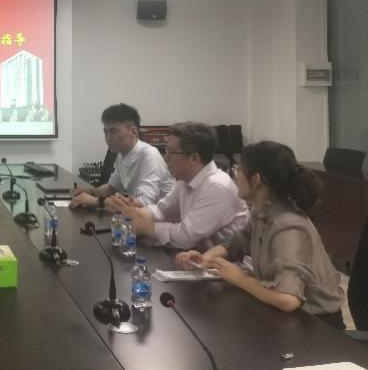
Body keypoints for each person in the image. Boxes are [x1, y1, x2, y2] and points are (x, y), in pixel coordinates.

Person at [175, 141, 345, 328]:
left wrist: (240, 279)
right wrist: (205, 259)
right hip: (285, 317)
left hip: (316, 325)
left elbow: (287, 299)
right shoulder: (262, 211)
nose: (235, 175)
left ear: (256, 180)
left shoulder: (288, 226)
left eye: (239, 170)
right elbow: (235, 245)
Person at [110, 122, 249, 250]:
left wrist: (142, 225)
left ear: (194, 158)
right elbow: (162, 210)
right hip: (198, 257)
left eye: (171, 152)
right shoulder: (185, 181)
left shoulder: (216, 187)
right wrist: (133, 212)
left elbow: (185, 237)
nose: (166, 158)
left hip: (227, 263)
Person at [70, 103, 173, 211]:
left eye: (113, 131)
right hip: (141, 216)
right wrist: (90, 192)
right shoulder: (122, 154)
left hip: (164, 218)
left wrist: (96, 202)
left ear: (133, 132)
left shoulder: (149, 155)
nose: (108, 138)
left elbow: (142, 204)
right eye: (105, 132)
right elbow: (111, 187)